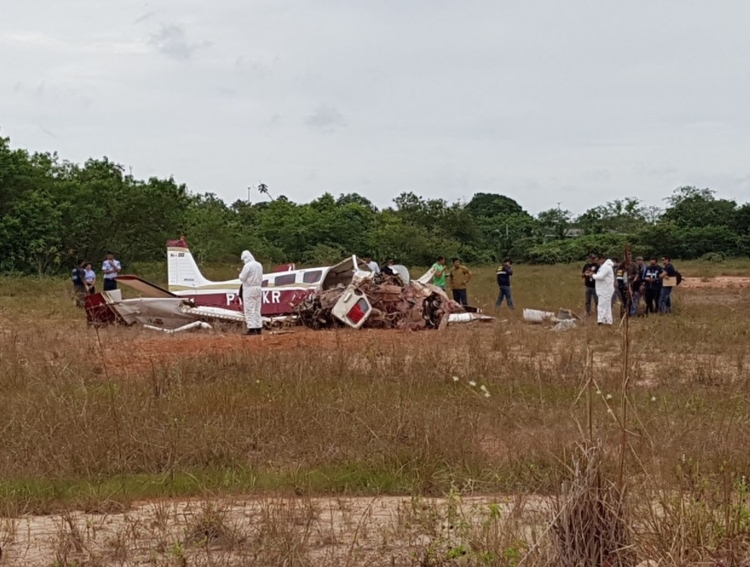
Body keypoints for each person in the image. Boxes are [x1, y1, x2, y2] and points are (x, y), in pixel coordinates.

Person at [239, 250, 263, 335]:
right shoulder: (259, 265)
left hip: (249, 289)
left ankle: (252, 328)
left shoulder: (247, 266)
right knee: (257, 309)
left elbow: (242, 278)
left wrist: (239, 274)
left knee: (249, 309)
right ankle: (258, 327)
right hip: (258, 288)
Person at [589, 254, 615, 325]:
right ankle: (608, 321)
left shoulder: (606, 267)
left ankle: (601, 321)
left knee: (602, 305)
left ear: (602, 259)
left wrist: (592, 275)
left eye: (598, 260)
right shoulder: (603, 267)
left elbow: (600, 277)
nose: (597, 262)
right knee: (606, 306)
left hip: (605, 290)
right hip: (603, 289)